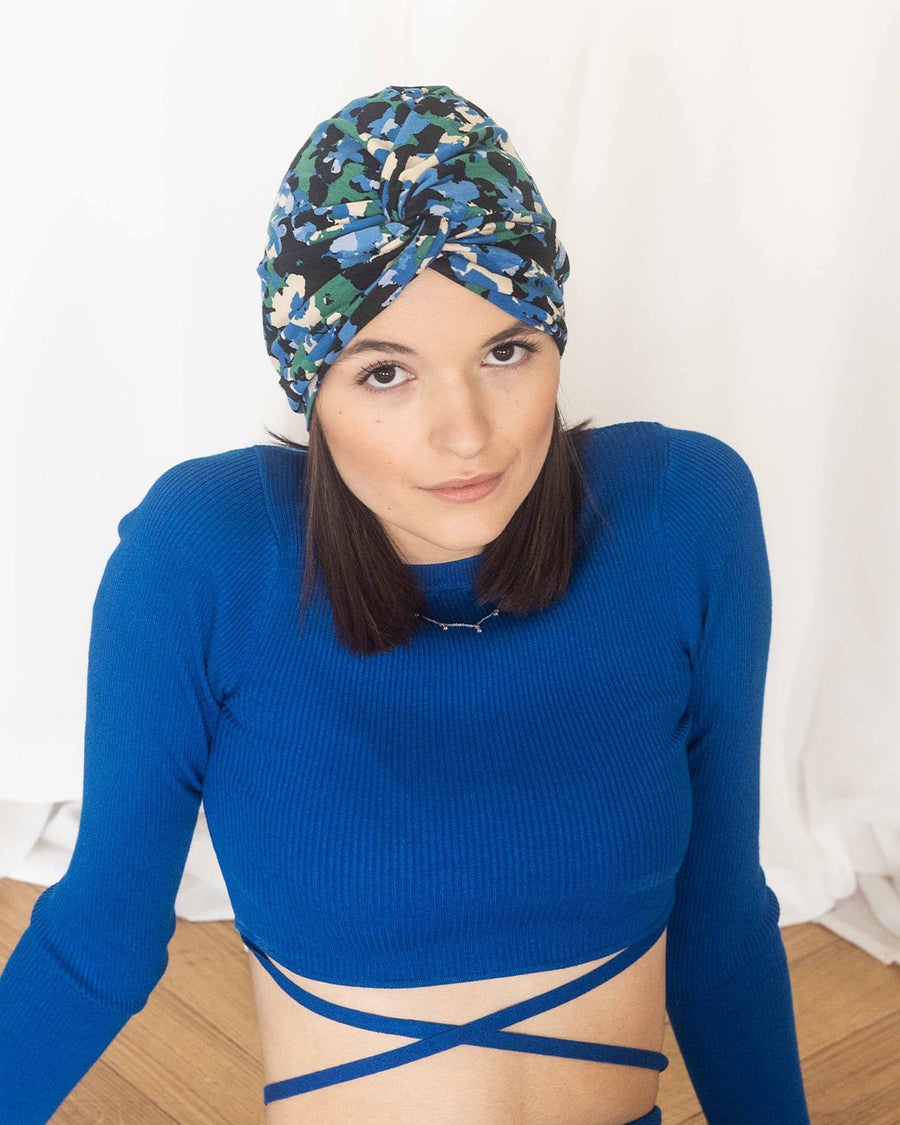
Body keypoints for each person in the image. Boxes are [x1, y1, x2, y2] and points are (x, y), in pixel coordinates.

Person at [0, 84, 811, 1124]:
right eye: (386, 373)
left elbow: (721, 928)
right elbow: (98, 945)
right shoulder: (206, 556)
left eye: (506, 352)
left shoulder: (679, 513)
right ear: (312, 390)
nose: (466, 434)